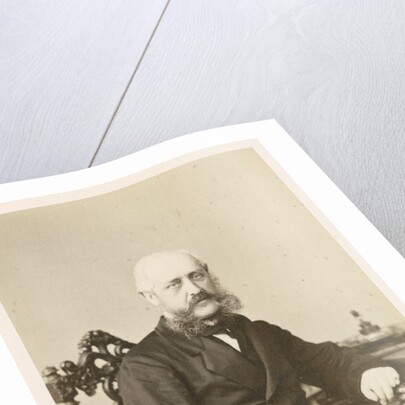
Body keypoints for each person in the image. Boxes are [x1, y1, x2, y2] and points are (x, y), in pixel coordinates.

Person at [118, 250, 403, 405]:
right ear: (151, 297)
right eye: (174, 284)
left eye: (197, 275)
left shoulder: (257, 331)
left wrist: (367, 372)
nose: (194, 289)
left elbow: (328, 362)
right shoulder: (145, 364)